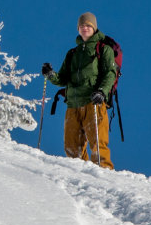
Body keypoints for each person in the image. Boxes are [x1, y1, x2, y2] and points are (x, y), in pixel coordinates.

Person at [42, 12, 116, 169]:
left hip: (93, 103)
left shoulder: (103, 49)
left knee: (99, 147)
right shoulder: (72, 53)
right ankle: (81, 178)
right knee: (71, 149)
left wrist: (102, 92)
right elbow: (62, 79)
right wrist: (50, 75)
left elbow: (110, 74)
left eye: (88, 25)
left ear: (94, 28)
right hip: (73, 105)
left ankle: (106, 180)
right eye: (82, 25)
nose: (85, 28)